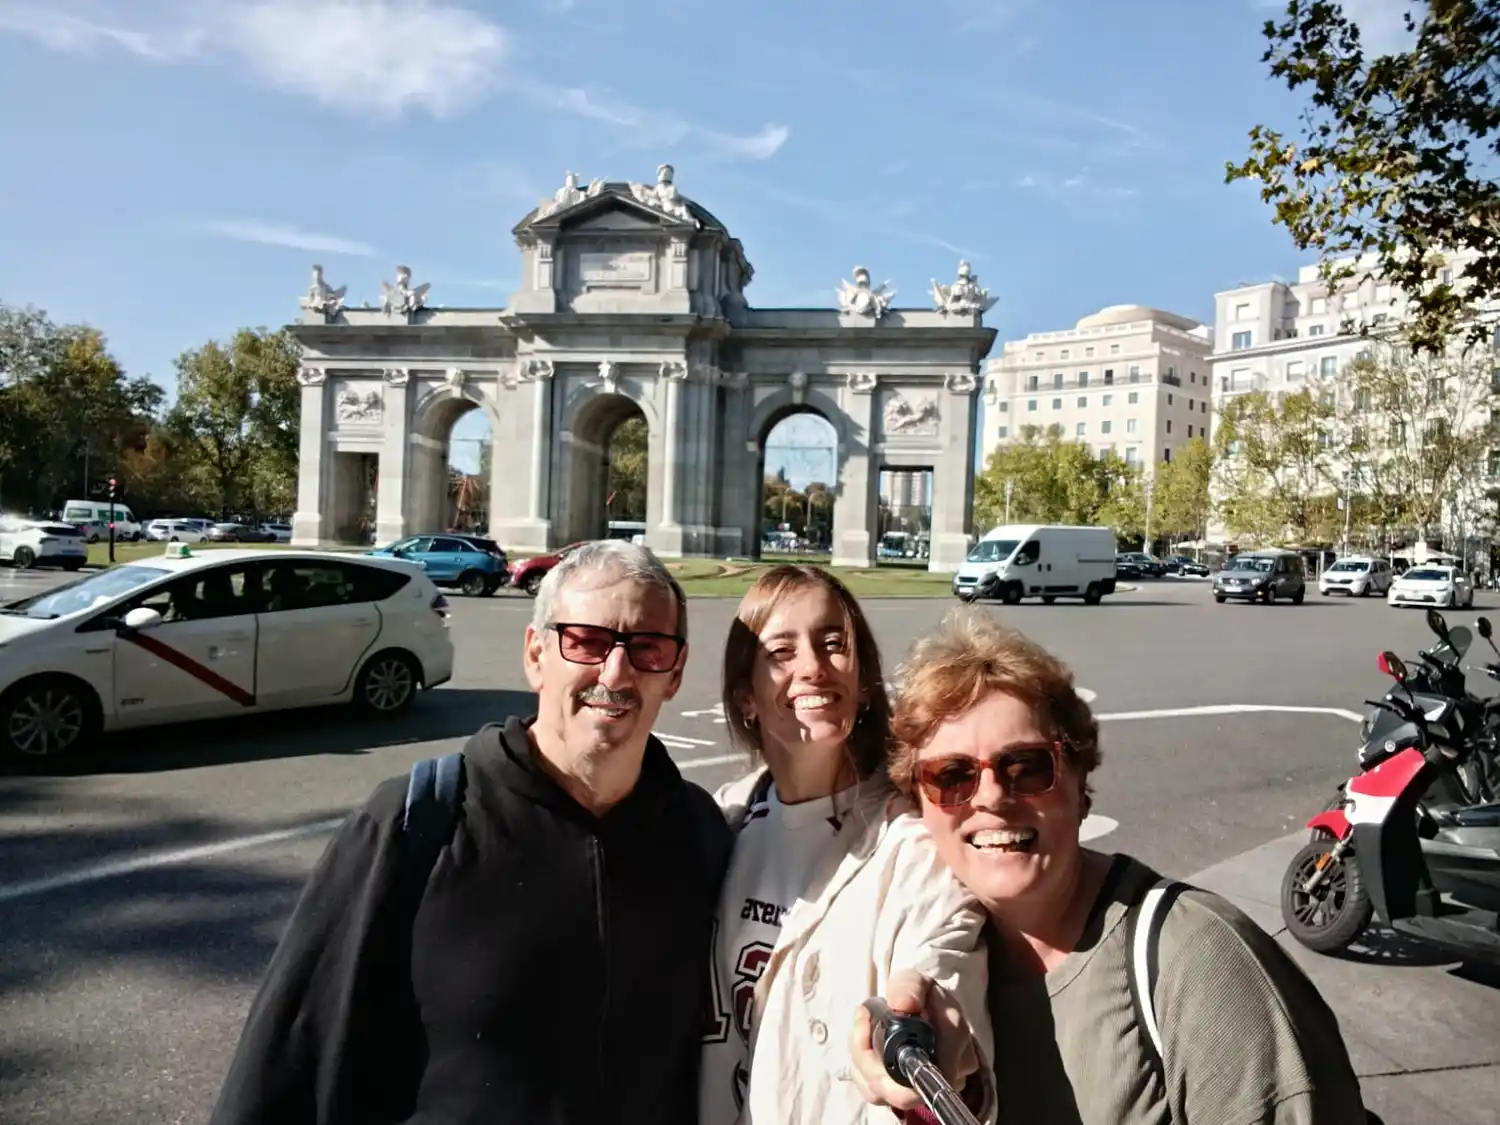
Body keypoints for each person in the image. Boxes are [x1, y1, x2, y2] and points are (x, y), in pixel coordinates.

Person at [208, 539, 730, 1125]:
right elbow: (286, 1064)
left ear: (676, 672)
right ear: (536, 654)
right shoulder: (415, 824)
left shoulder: (699, 835)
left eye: (647, 647)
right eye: (585, 641)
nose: (616, 671)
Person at [850, 607, 1371, 1125]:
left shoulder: (1200, 964)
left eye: (1027, 766)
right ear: (920, 803)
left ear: (1080, 782)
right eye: (952, 775)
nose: (991, 797)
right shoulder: (938, 951)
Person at [702, 565, 995, 1125]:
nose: (812, 667)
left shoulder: (913, 842)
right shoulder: (721, 823)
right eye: (781, 652)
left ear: (862, 683)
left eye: (833, 644)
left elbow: (942, 955)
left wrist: (929, 1026)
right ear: (746, 697)